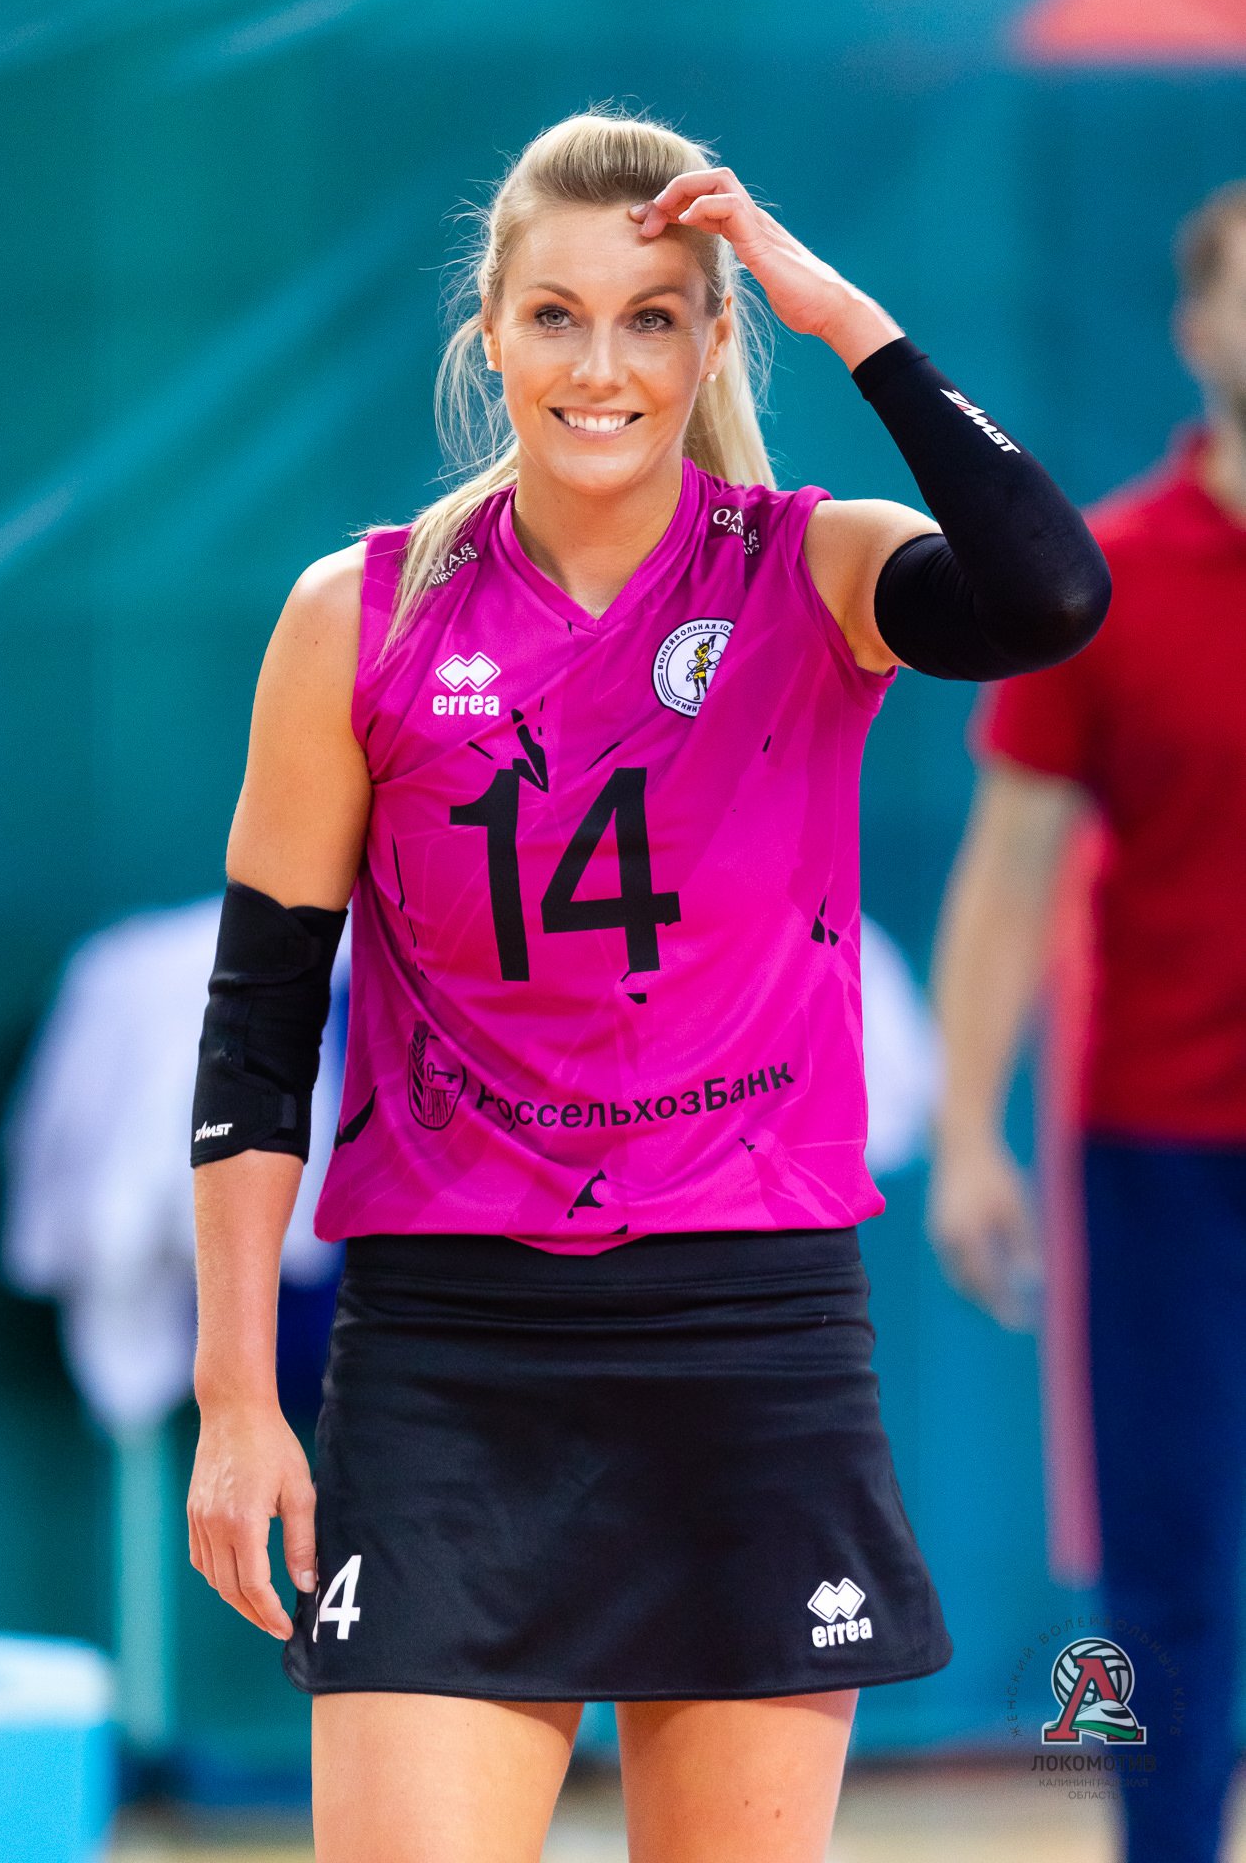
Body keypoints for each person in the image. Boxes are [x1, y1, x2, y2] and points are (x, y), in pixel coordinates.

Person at [184, 108, 1110, 1863]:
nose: (599, 367)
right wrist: (237, 1398)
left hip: (747, 1341)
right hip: (452, 1351)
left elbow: (1049, 592)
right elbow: (255, 1030)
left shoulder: (811, 569)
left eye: (651, 318)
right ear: (489, 334)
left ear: (711, 338)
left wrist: (839, 313)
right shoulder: (356, 617)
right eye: (555, 316)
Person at [930, 179, 1246, 1863]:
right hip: (1162, 1152)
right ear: (1195, 327)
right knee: (1166, 1552)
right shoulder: (1103, 578)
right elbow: (1007, 873)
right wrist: (966, 1130)